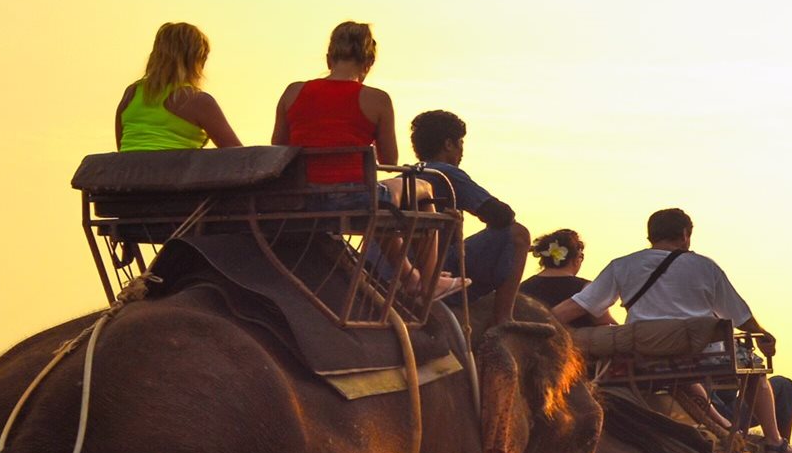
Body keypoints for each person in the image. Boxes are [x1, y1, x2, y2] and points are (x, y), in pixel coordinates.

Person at [552, 208, 792, 453]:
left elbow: (579, 306)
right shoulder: (704, 267)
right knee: (756, 372)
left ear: (650, 236)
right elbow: (741, 317)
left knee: (674, 363)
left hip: (645, 357)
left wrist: (542, 321)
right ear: (685, 234)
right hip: (701, 357)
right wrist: (763, 335)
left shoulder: (622, 265)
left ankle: (723, 426)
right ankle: (775, 441)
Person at [272, 22, 463, 298]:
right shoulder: (377, 99)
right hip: (353, 199)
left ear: (329, 58)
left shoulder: (292, 92)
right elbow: (389, 160)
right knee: (421, 188)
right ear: (369, 62)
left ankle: (410, 276)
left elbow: (277, 149)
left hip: (300, 198)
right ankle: (431, 281)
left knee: (380, 201)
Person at [410, 109, 528, 324]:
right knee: (518, 234)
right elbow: (502, 216)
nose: (462, 150)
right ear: (448, 144)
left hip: (399, 267)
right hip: (431, 266)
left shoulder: (408, 174)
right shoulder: (445, 173)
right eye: (460, 143)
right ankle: (504, 319)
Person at [114, 22, 242, 152]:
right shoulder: (198, 101)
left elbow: (122, 148)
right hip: (174, 172)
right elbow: (240, 157)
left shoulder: (131, 94)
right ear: (195, 60)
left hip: (127, 171)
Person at [518, 229, 609, 327]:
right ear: (576, 259)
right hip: (573, 342)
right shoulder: (587, 289)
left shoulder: (521, 288)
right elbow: (605, 323)